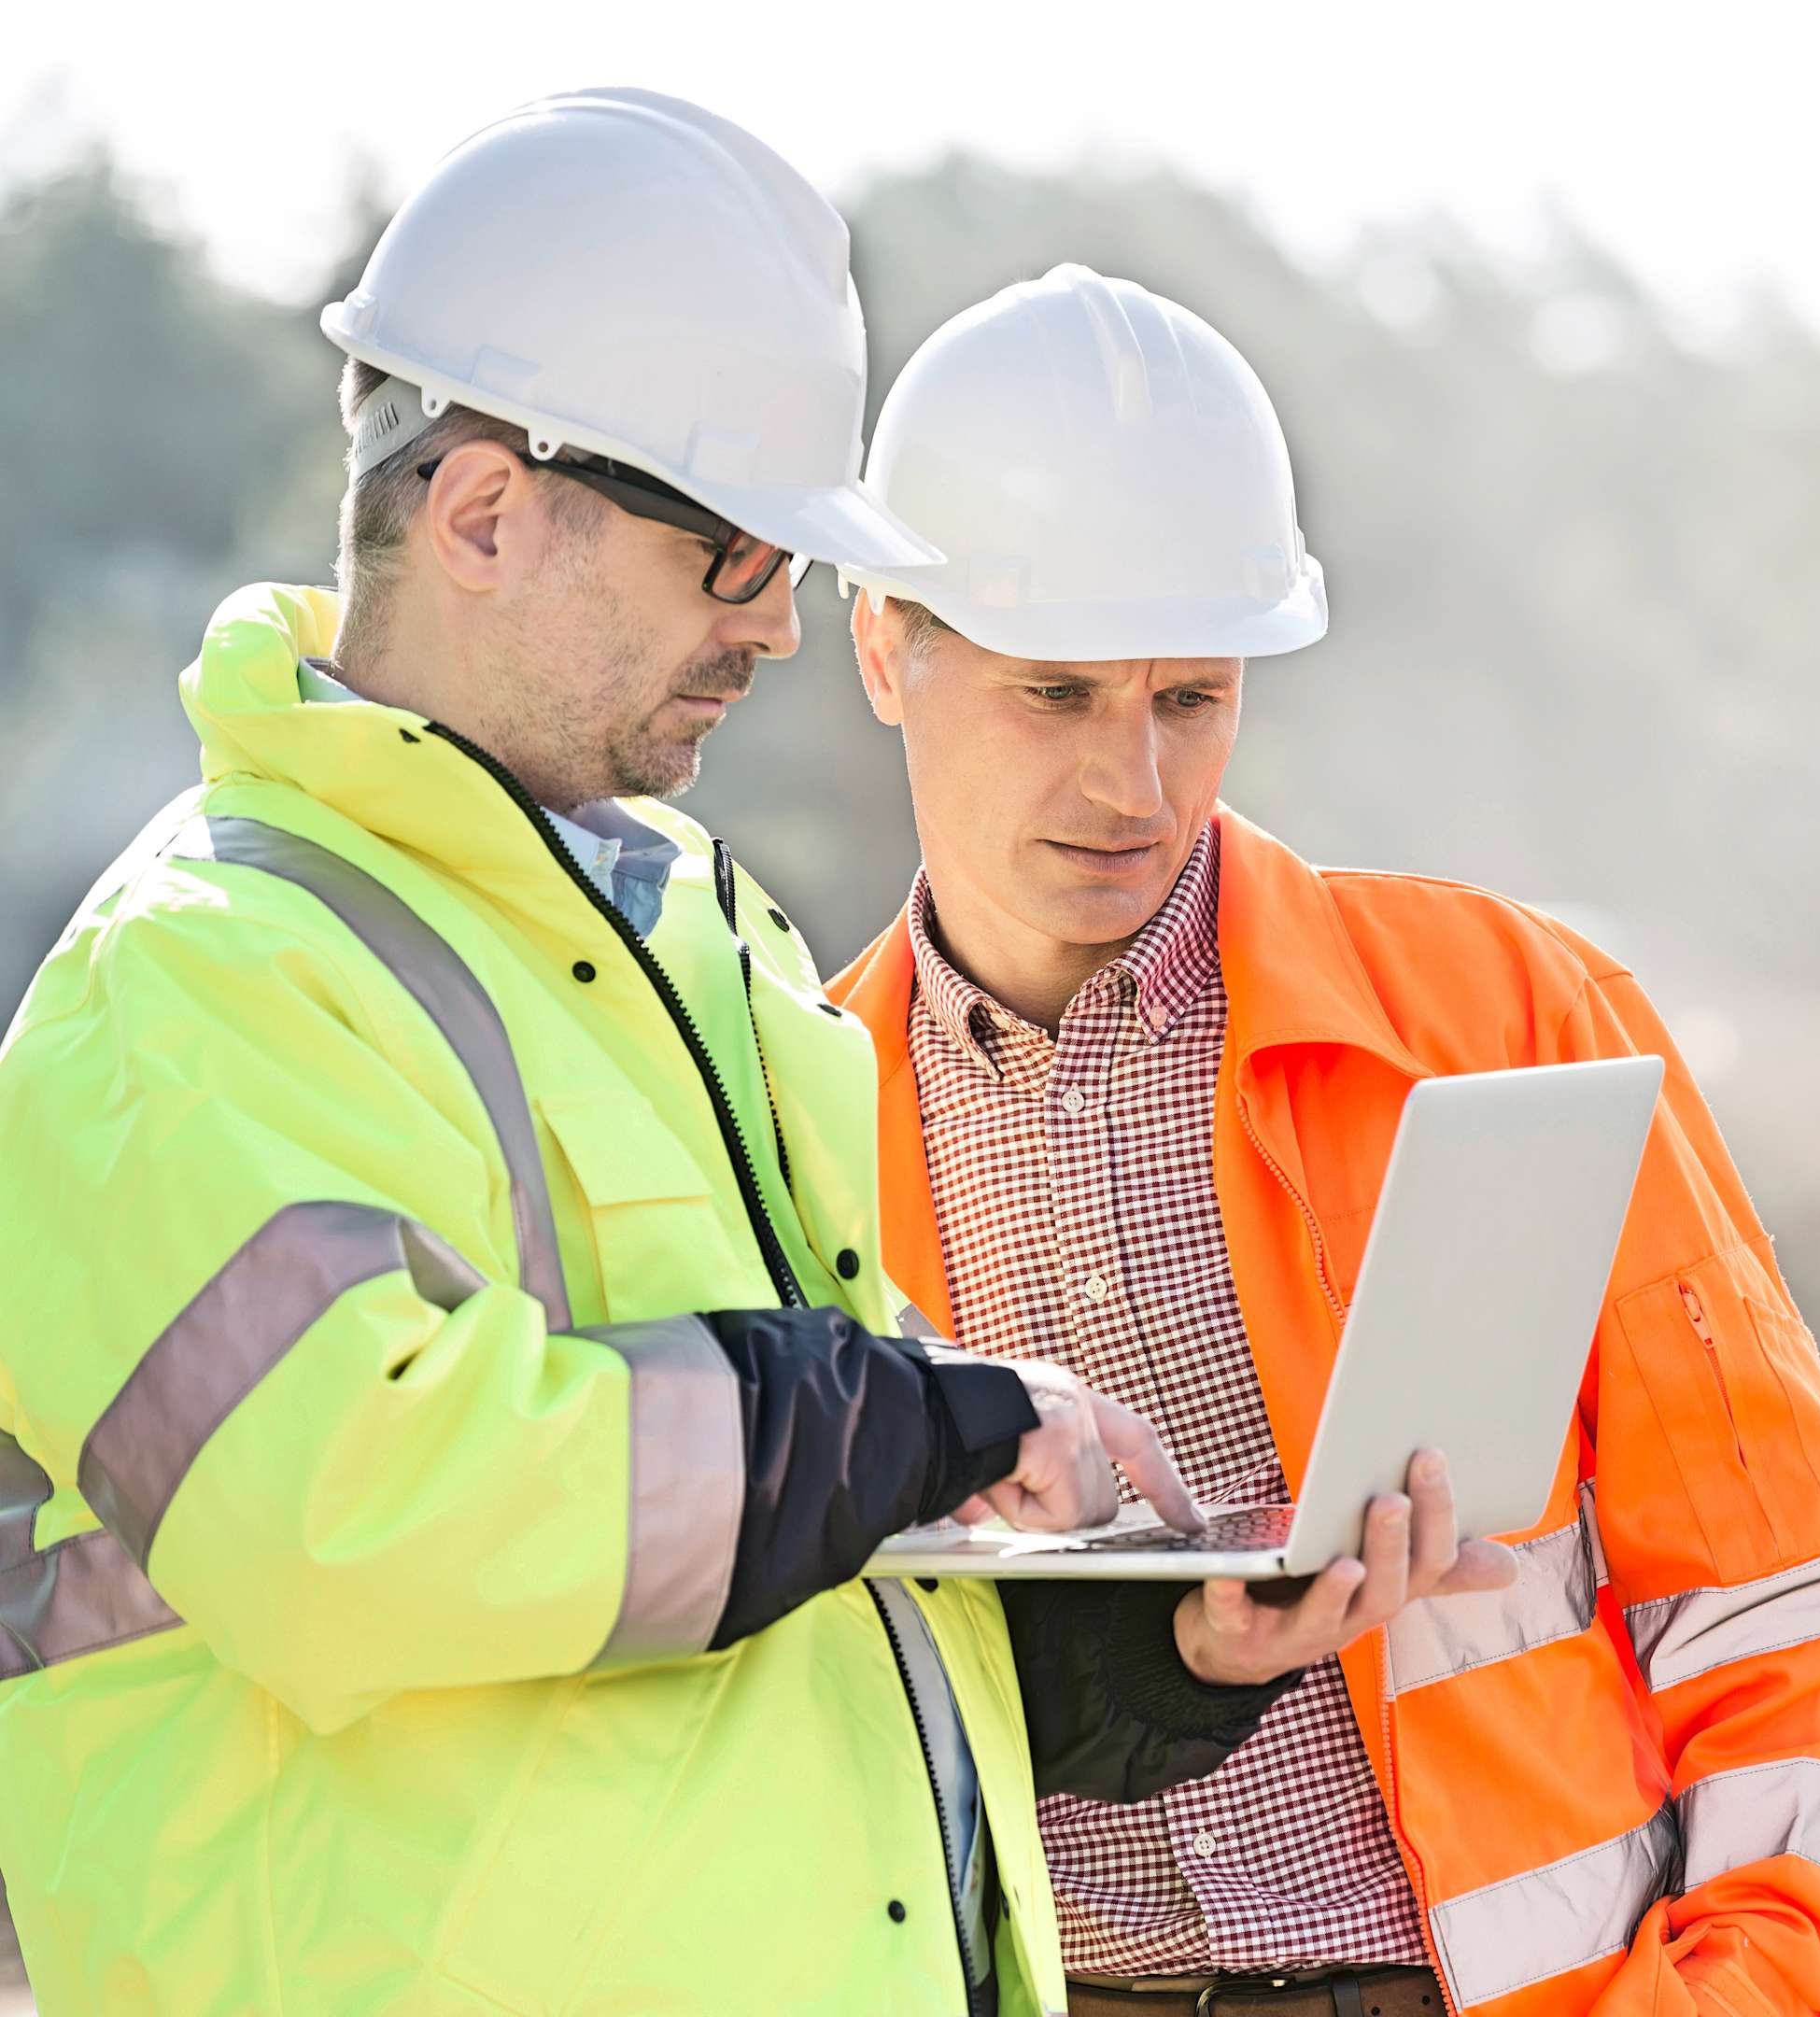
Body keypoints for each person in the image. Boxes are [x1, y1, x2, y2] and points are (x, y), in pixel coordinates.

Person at [0, 101, 1422, 2017]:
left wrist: (1141, 1665)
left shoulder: (694, 944)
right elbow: (350, 1517)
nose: (774, 624)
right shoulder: (194, 985)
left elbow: (762, 1582)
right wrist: (917, 1415)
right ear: (486, 511)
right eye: (736, 554)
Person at [830, 264, 1820, 2017]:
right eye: (1057, 695)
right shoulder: (794, 1120)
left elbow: (1791, 1606)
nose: (1134, 782)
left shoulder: (1506, 1015)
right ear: (884, 643)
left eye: (1190, 697)